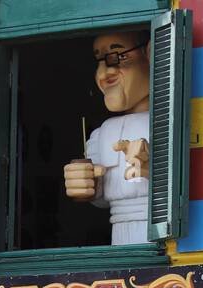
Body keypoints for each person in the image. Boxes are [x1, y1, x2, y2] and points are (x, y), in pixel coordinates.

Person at [63, 32, 152, 245]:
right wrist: (86, 184)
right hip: (119, 234)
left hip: (158, 235)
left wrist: (151, 170)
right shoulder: (101, 133)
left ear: (151, 53)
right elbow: (101, 196)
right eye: (99, 61)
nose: (103, 73)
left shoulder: (169, 123)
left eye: (117, 56)